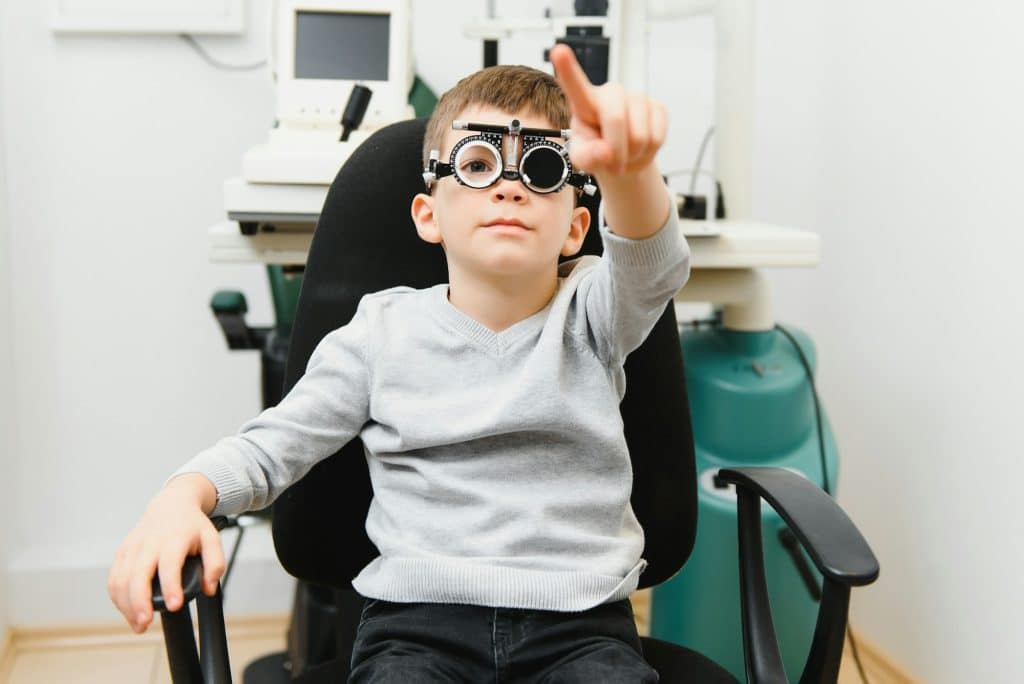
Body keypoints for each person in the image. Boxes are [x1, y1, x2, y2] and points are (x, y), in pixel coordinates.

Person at [108, 45, 690, 682]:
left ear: (577, 228)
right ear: (428, 214)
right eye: (477, 163)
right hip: (418, 627)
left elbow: (652, 266)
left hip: (580, 626)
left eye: (543, 168)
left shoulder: (595, 312)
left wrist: (631, 174)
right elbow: (274, 445)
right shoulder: (379, 333)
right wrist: (180, 496)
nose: (508, 185)